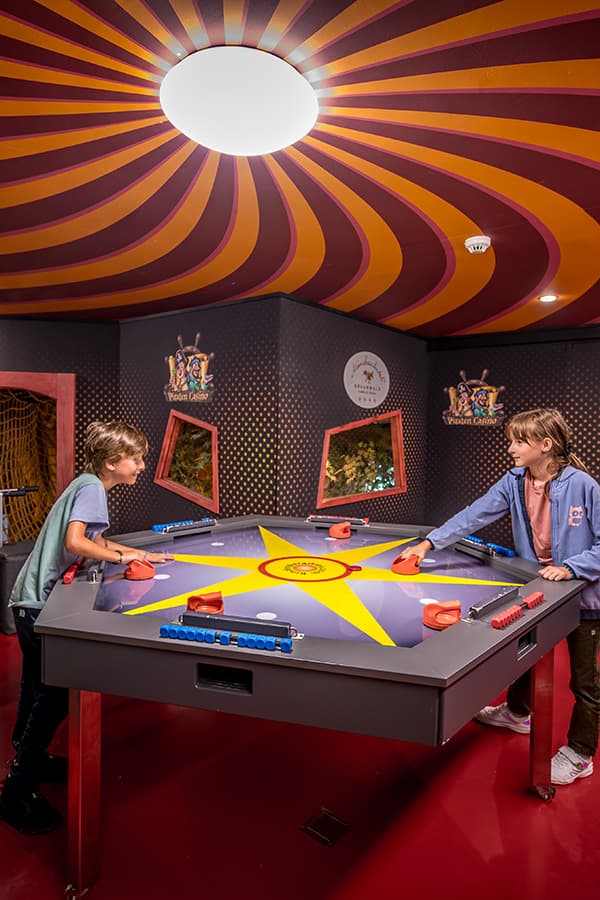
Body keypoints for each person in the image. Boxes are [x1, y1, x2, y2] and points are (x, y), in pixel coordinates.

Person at [400, 408, 600, 786]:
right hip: (540, 588)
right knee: (525, 654)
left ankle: (580, 753)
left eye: (519, 441)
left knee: (584, 682)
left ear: (546, 445)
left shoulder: (583, 485)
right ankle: (518, 713)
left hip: (583, 596)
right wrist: (429, 543)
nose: (511, 448)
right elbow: (473, 515)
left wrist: (572, 568)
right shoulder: (514, 481)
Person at [0, 421, 174, 834]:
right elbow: (76, 543)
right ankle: (17, 790)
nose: (141, 465)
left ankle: (28, 755)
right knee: (55, 694)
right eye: (136, 458)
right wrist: (121, 560)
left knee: (35, 684)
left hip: (27, 600)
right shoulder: (94, 489)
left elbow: (94, 542)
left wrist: (133, 552)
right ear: (112, 462)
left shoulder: (84, 482)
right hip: (39, 603)